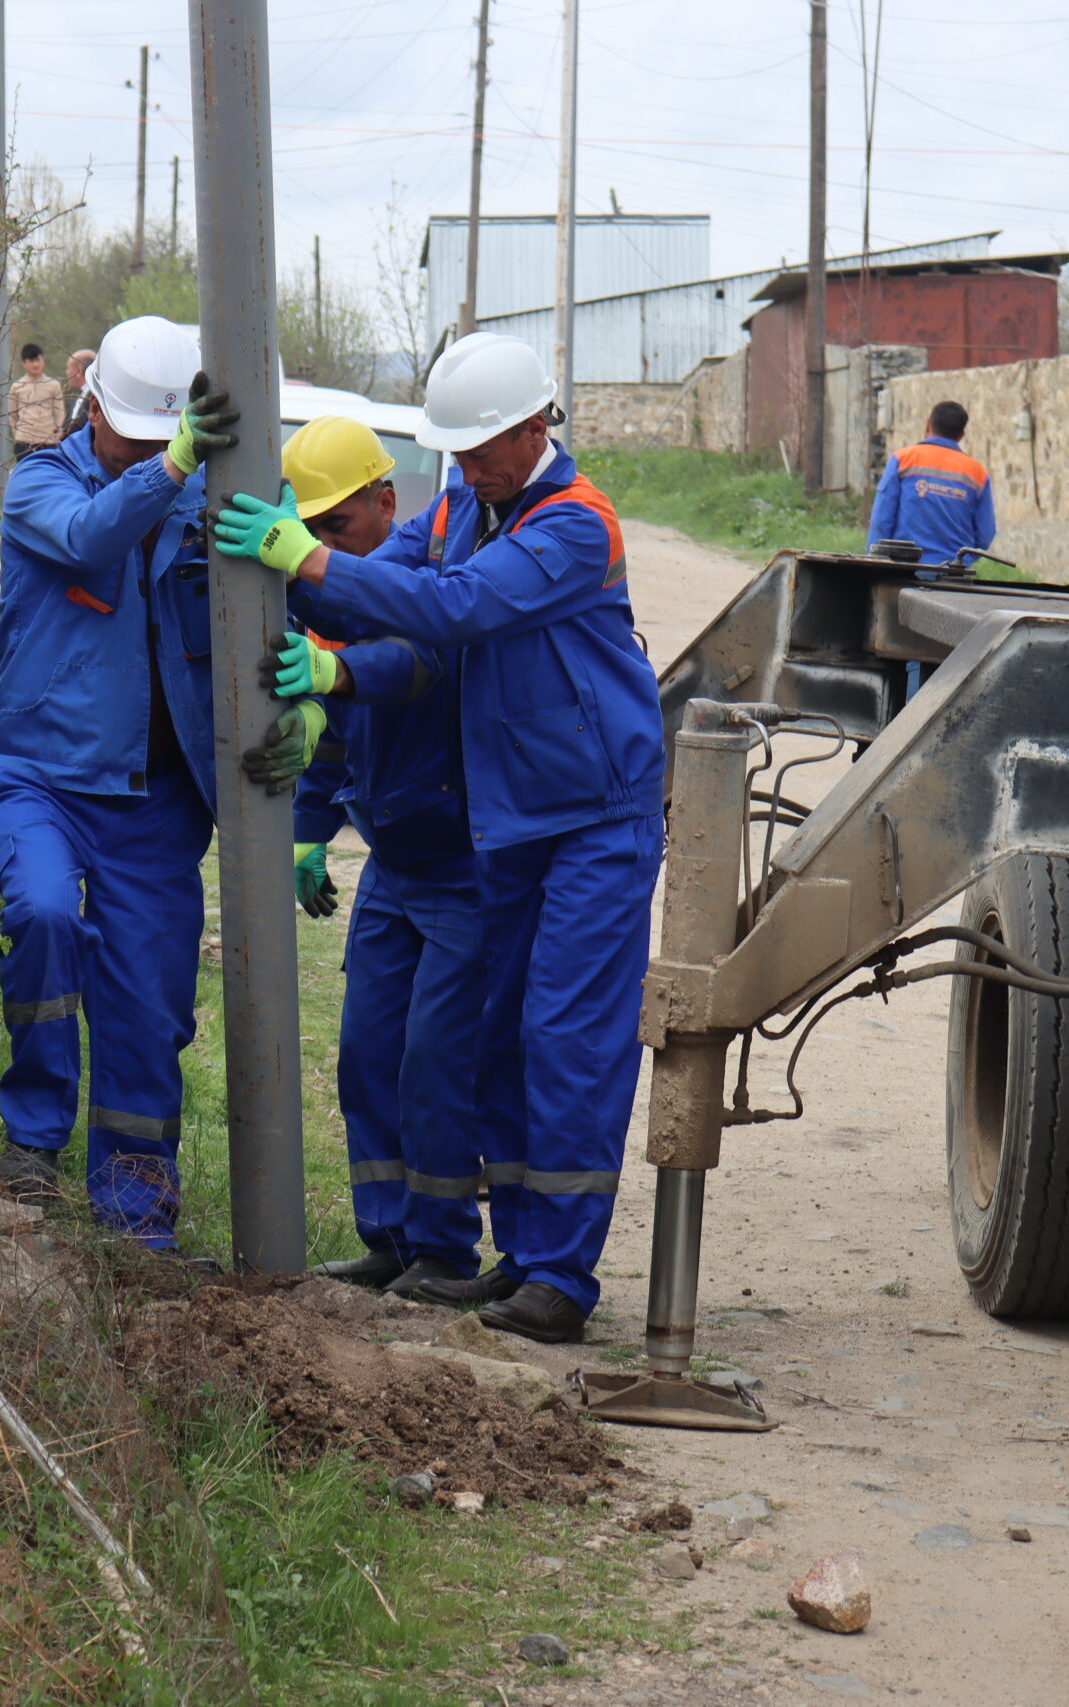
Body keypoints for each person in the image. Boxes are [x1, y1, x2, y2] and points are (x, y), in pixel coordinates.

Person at [216, 334, 665, 1344]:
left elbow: (455, 610)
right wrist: (292, 590)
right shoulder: (467, 505)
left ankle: (556, 1276)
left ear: (534, 427)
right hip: (510, 817)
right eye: (451, 452)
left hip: (593, 816)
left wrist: (310, 556)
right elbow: (386, 598)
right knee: (501, 1040)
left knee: (566, 1041)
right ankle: (514, 1261)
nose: (460, 471)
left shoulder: (572, 526)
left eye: (478, 450)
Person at [0, 317, 237, 1257]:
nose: (151, 455)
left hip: (154, 802)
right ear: (90, 411)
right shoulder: (44, 483)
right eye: (136, 437)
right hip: (36, 773)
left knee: (148, 1002)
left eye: (168, 442)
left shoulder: (204, 496)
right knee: (42, 912)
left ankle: (135, 1219)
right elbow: (88, 539)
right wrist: (170, 473)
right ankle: (34, 1138)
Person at [269, 416, 501, 1300]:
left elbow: (416, 662)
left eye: (338, 527)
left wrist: (336, 675)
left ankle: (445, 1247)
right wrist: (308, 828)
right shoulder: (335, 592)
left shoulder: (427, 565)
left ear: (386, 499)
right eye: (312, 531)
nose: (325, 546)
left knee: (433, 1061)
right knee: (366, 1053)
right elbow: (337, 733)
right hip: (395, 868)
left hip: (460, 868)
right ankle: (392, 1238)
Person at [867, 400, 995, 568]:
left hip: (903, 569)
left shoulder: (902, 460)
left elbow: (882, 520)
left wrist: (875, 561)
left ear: (928, 425)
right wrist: (963, 560)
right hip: (954, 573)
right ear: (961, 435)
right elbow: (985, 534)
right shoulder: (977, 473)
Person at [9, 342, 65, 457]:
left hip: (47, 441)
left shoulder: (53, 385)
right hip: (23, 441)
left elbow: (59, 412)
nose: (35, 365)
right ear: (24, 363)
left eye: (38, 360)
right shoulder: (17, 386)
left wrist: (57, 432)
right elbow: (12, 415)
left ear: (43, 360)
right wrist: (18, 435)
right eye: (31, 361)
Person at [63, 347, 99, 433]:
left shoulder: (95, 397)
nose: (66, 373)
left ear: (78, 371)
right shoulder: (80, 396)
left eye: (68, 368)